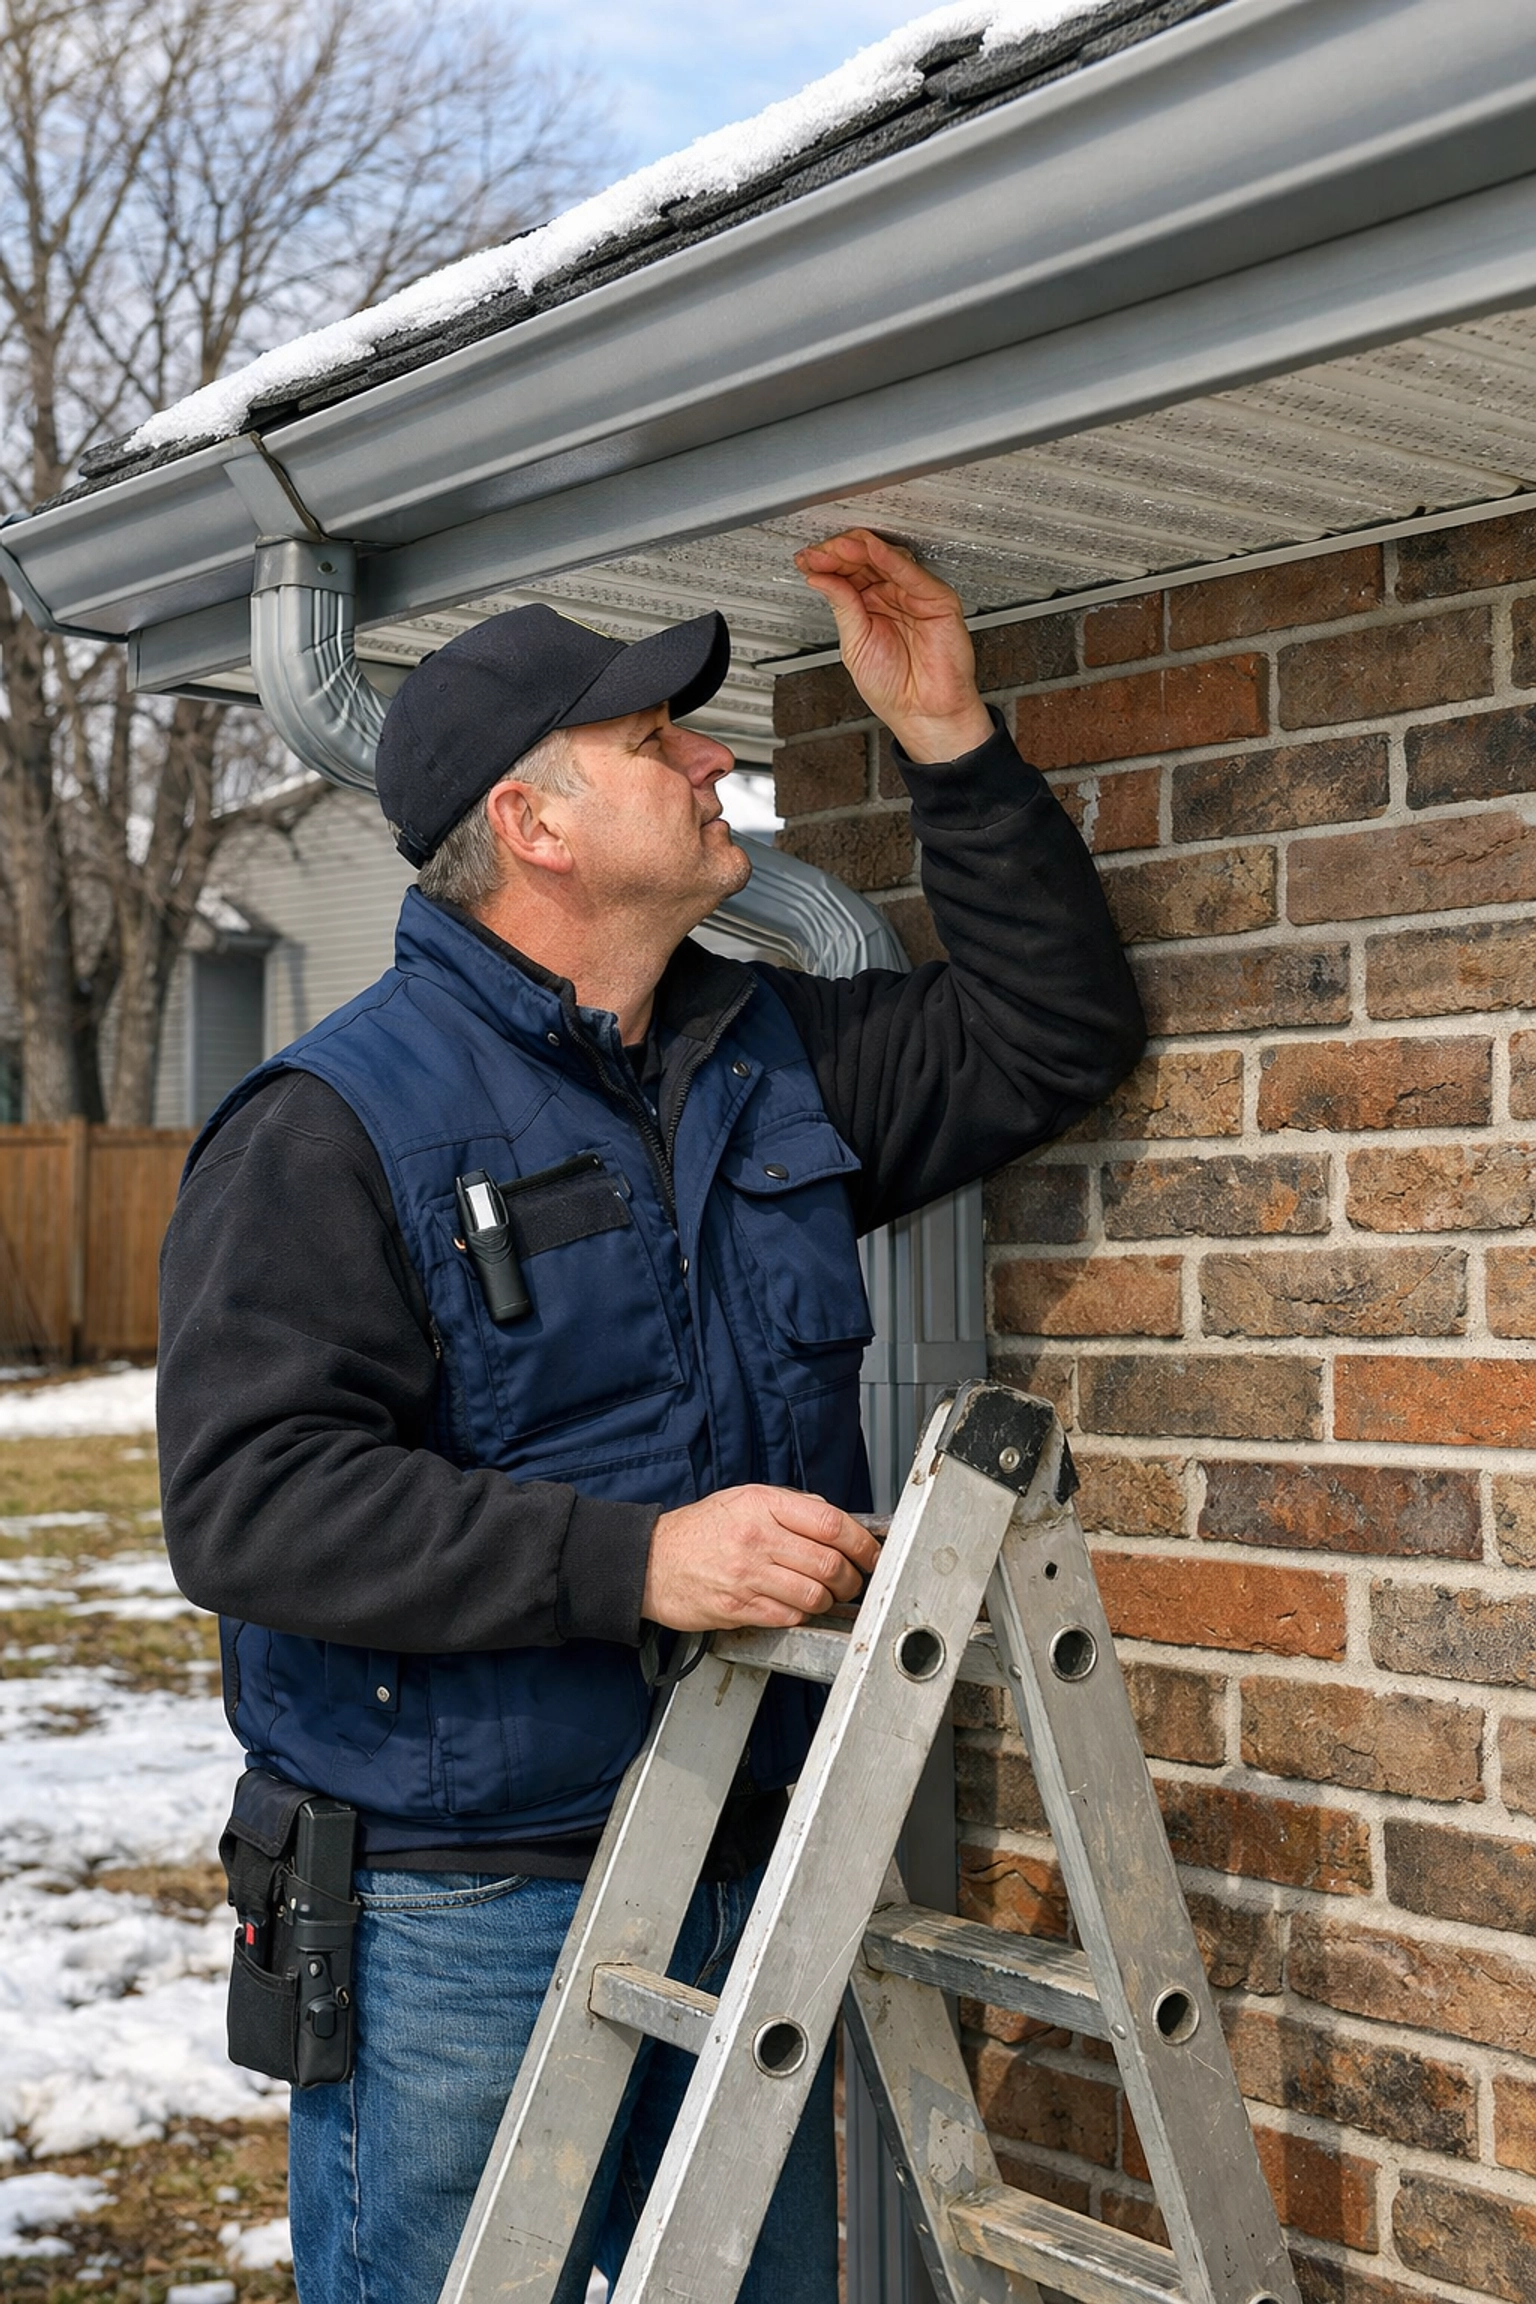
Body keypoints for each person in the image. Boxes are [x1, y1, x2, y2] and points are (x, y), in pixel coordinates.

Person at [158, 528, 1145, 2304]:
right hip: (457, 1904)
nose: (713, 759)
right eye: (655, 742)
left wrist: (948, 741)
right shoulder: (331, 1122)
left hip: (739, 1861)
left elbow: (1049, 1031)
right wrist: (637, 1562)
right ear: (533, 828)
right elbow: (252, 1503)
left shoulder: (760, 1054)